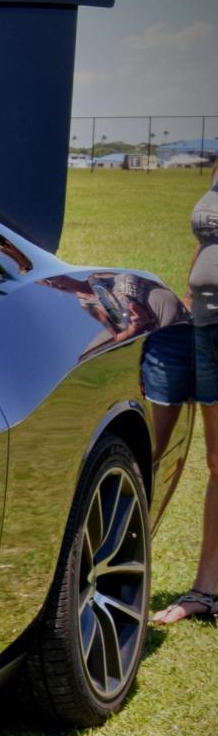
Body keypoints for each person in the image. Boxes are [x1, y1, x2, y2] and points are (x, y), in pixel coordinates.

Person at [149, 162, 218, 624]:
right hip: (205, 327)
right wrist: (191, 301)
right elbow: (207, 240)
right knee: (217, 463)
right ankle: (206, 593)